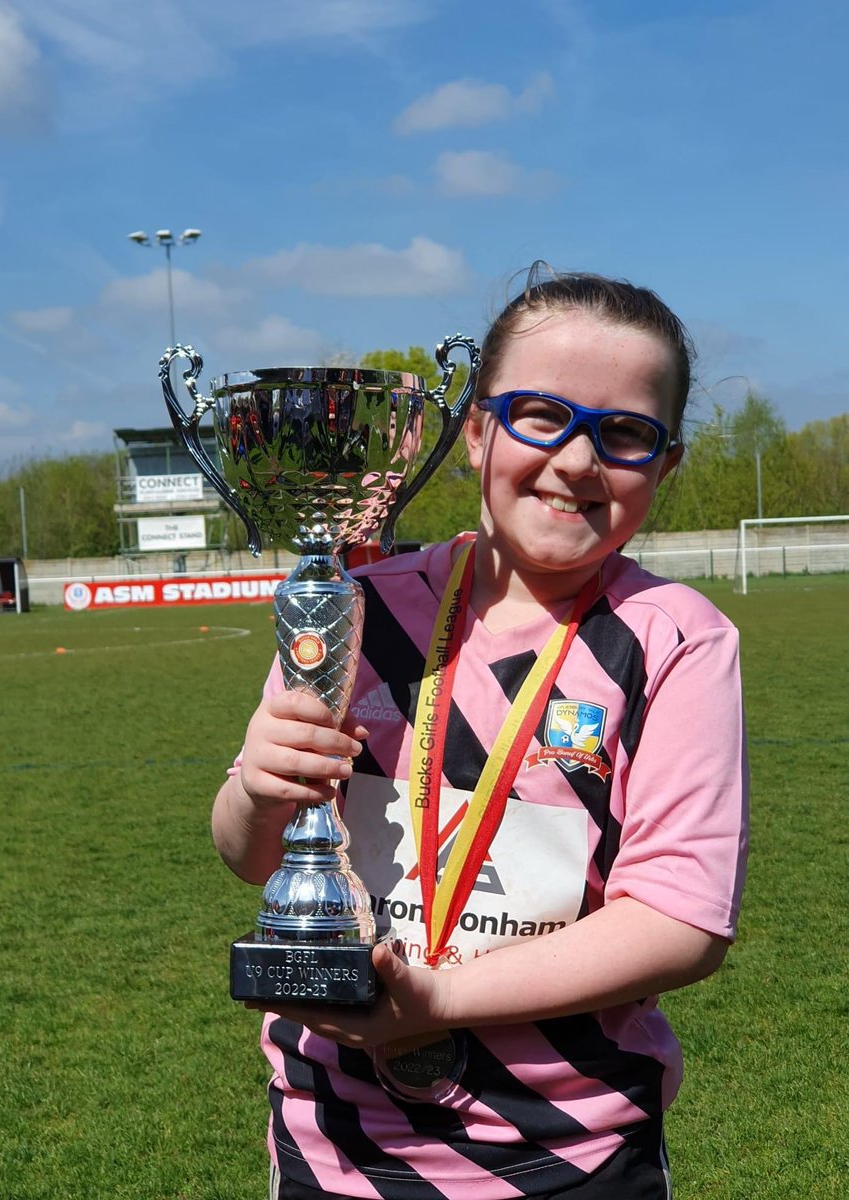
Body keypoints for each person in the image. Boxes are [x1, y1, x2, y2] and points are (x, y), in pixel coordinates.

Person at [212, 268, 749, 1200]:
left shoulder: (676, 638)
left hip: (568, 1156)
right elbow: (254, 856)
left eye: (624, 433)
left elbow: (681, 922)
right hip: (333, 1147)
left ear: (665, 467)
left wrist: (440, 999)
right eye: (542, 413)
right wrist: (257, 788)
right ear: (474, 432)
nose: (578, 461)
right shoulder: (355, 608)